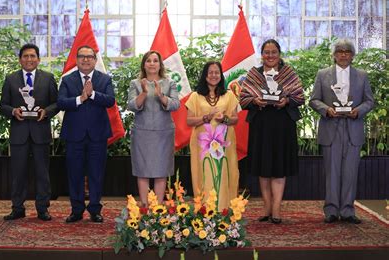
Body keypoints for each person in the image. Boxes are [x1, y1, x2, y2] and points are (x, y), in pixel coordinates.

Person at [309, 39, 374, 224]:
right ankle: (330, 210)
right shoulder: (323, 75)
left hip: (353, 128)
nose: (343, 54)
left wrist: (358, 111)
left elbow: (369, 101)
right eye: (339, 51)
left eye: (347, 51)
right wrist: (326, 110)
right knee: (332, 171)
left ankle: (347, 210)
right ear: (334, 55)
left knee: (350, 171)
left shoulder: (362, 75)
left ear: (352, 55)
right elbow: (314, 100)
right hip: (331, 128)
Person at [240, 39, 304, 224]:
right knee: (263, 166)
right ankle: (266, 207)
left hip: (282, 125)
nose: (270, 55)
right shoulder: (254, 73)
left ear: (279, 54)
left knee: (278, 167)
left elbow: (299, 96)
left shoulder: (288, 73)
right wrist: (255, 101)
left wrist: (286, 101)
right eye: (266, 52)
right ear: (262, 55)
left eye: (274, 52)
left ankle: (276, 209)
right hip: (261, 124)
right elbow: (243, 97)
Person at [0, 43, 59, 221]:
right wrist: (13, 111)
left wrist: (46, 112)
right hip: (19, 134)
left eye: (33, 56)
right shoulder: (10, 79)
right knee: (18, 173)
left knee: (42, 173)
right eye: (25, 56)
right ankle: (17, 208)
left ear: (38, 59)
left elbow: (56, 103)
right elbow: (2, 105)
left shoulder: (48, 78)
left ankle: (43, 209)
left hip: (40, 133)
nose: (29, 59)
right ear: (20, 60)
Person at [58, 45, 115, 223]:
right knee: (74, 174)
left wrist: (92, 95)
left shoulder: (104, 79)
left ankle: (95, 210)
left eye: (89, 57)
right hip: (74, 135)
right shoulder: (68, 80)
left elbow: (110, 101)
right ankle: (76, 210)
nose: (85, 60)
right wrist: (80, 98)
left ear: (95, 60)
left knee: (96, 174)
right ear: (76, 60)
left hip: (97, 136)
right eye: (82, 57)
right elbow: (61, 103)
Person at [127, 51, 180, 206]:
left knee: (161, 171)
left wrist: (161, 95)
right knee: (142, 171)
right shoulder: (135, 83)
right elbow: (131, 105)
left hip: (163, 133)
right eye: (148, 60)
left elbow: (176, 104)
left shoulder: (169, 83)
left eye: (155, 60)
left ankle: (157, 209)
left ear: (160, 64)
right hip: (142, 133)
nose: (152, 63)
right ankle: (144, 207)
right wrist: (144, 93)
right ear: (144, 64)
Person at [185, 61, 239, 211]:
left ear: (221, 75)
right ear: (205, 75)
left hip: (224, 145)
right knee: (205, 174)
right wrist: (205, 118)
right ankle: (205, 210)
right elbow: (189, 121)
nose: (214, 75)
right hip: (203, 145)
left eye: (217, 72)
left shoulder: (229, 95)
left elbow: (235, 119)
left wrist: (225, 119)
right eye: (211, 72)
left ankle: (225, 210)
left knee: (223, 175)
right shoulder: (195, 96)